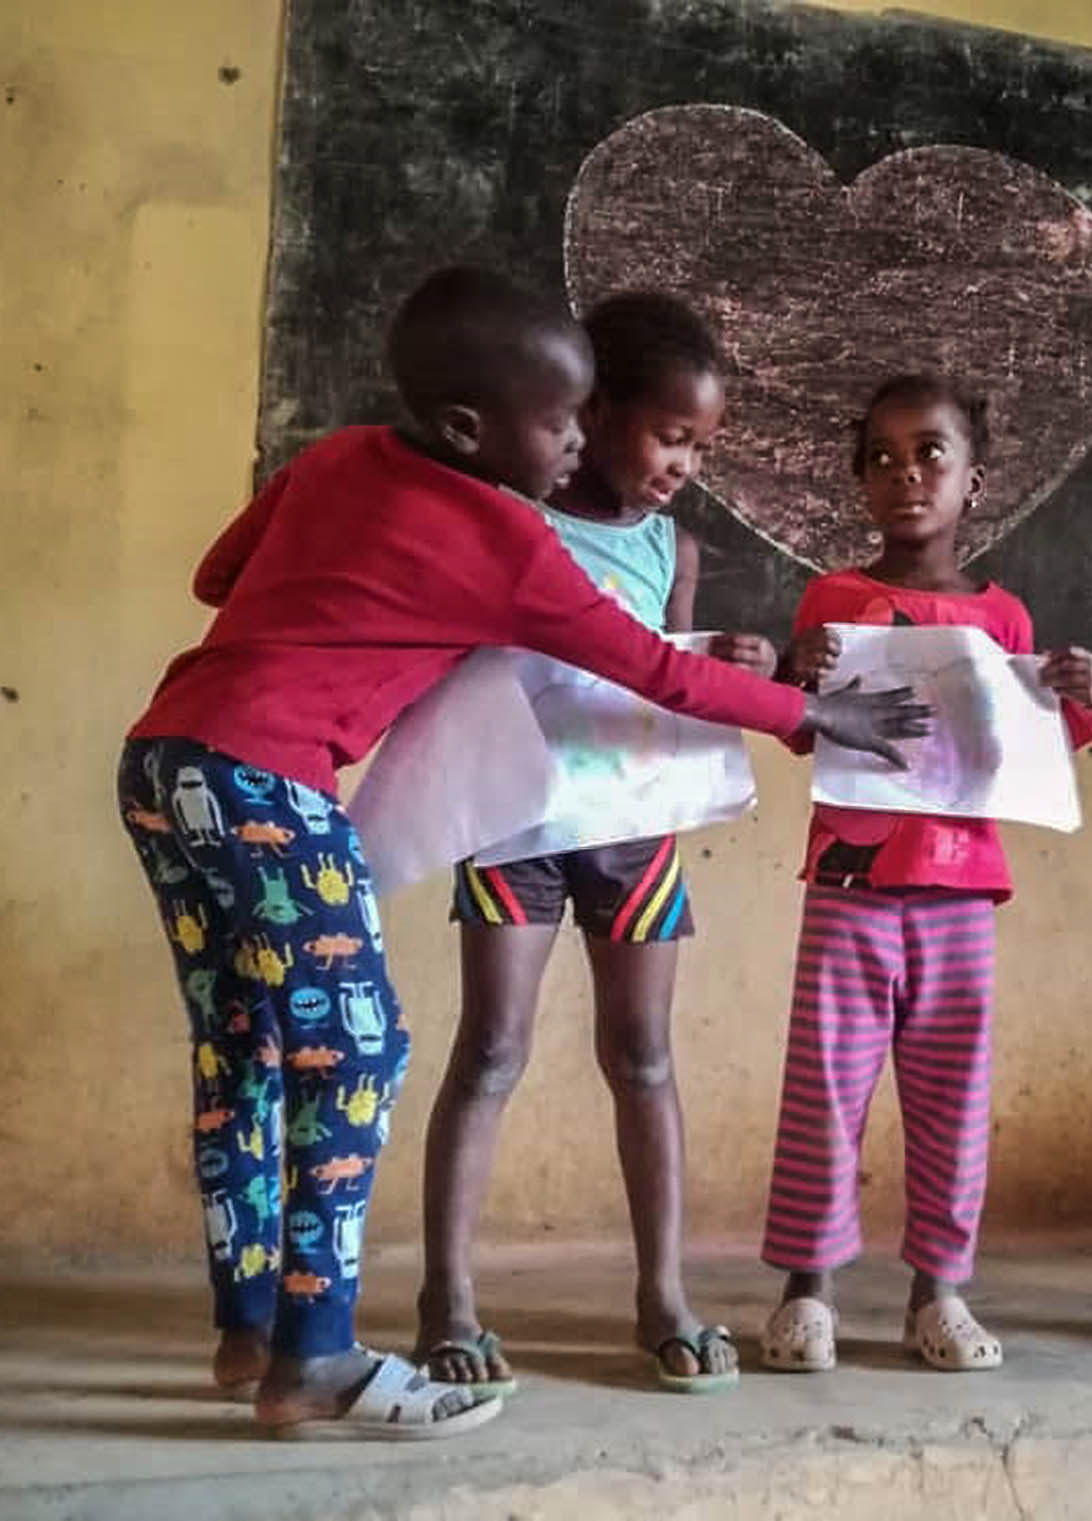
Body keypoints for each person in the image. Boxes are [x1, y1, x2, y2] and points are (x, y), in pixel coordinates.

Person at [116, 267, 927, 1438]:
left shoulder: (338, 457)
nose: (573, 442)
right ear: (467, 429)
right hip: (265, 785)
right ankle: (317, 1357)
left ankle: (248, 1332)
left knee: (240, 1045)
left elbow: (218, 577)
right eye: (557, 423)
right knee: (356, 1053)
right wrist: (811, 714)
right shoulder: (502, 535)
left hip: (163, 764)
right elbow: (654, 671)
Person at [416, 292, 771, 1397]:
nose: (683, 467)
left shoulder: (672, 546)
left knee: (645, 1055)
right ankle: (446, 1297)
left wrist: (734, 662)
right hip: (512, 822)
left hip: (632, 833)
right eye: (670, 436)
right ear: (594, 408)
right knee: (490, 1050)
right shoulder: (506, 518)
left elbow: (669, 668)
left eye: (699, 446)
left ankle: (663, 1294)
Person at [756, 374, 1092, 1374]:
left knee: (952, 1095)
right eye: (880, 458)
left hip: (960, 891)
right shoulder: (833, 601)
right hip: (848, 888)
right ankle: (806, 1291)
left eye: (929, 454)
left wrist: (1082, 691)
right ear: (859, 480)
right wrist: (794, 670)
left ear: (974, 481)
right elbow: (799, 728)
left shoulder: (1004, 618)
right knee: (824, 1092)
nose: (904, 474)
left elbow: (1035, 744)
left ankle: (939, 1292)